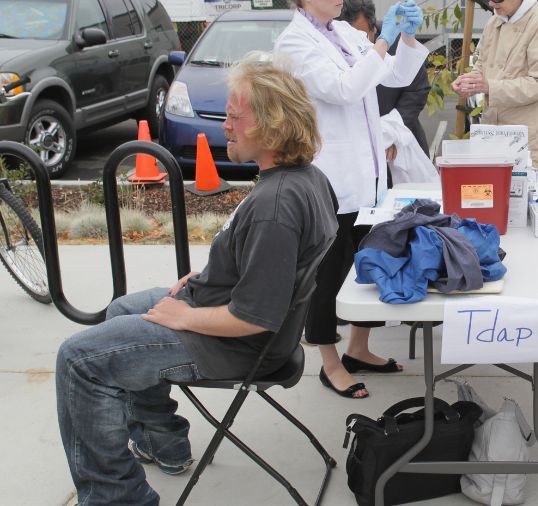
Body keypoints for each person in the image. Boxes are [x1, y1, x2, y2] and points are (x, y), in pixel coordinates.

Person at [55, 54, 339, 505]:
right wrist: (212, 274)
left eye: (233, 115)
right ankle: (161, 440)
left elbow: (256, 316)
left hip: (236, 344)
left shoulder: (276, 206)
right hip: (231, 314)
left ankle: (117, 498)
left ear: (271, 124)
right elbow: (272, 268)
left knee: (78, 360)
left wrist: (185, 316)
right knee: (120, 310)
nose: (224, 124)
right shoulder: (307, 179)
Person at [275, 0, 429, 398]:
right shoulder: (294, 43)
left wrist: (405, 36)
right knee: (329, 274)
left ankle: (358, 348)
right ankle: (330, 361)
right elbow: (345, 89)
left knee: (370, 261)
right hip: (332, 178)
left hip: (370, 176)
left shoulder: (344, 32)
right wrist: (382, 44)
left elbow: (395, 73)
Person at [451, 0, 538, 183]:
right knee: (493, 207)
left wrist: (489, 86)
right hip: (495, 139)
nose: (491, 3)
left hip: (532, 144)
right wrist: (469, 82)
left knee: (533, 206)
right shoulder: (494, 22)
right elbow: (482, 64)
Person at [339, 0, 431, 156]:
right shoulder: (335, 47)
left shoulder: (394, 38)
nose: (359, 43)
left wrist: (389, 133)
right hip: (356, 144)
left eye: (363, 36)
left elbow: (417, 89)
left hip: (401, 138)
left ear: (374, 28)